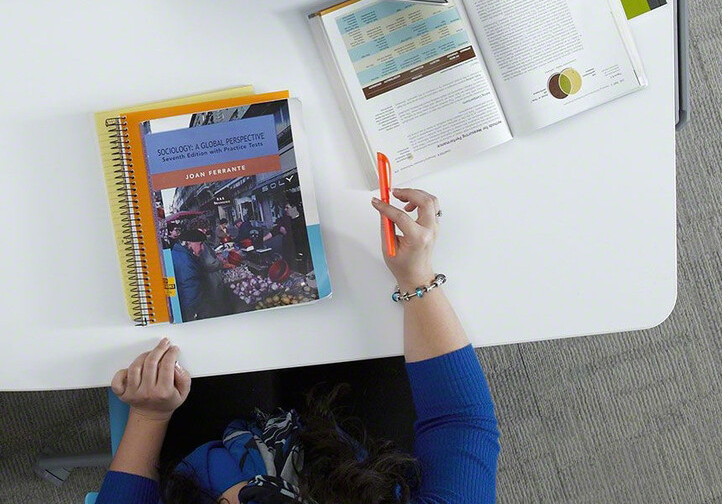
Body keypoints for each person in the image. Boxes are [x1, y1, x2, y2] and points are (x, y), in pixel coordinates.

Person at [95, 188, 498, 504]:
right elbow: (459, 419)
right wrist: (416, 278)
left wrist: (149, 416)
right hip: (351, 458)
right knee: (365, 315)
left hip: (205, 454)